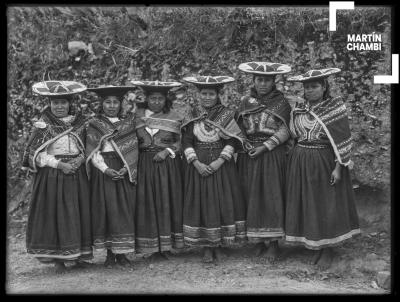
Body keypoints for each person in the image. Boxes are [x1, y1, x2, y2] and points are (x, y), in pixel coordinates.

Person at [285, 68, 360, 269]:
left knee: (326, 203)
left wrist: (338, 168)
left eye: (314, 86)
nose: (310, 90)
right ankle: (315, 245)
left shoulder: (334, 108)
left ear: (324, 87)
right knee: (308, 202)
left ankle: (328, 249)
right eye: (307, 87)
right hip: (300, 161)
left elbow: (342, 139)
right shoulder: (298, 109)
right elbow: (293, 135)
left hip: (324, 162)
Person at [23, 81, 92, 273]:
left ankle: (78, 256)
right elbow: (34, 153)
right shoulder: (43, 124)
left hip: (77, 173)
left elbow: (89, 146)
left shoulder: (81, 122)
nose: (59, 107)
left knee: (78, 212)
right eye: (55, 103)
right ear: (49, 104)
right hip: (53, 175)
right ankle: (58, 259)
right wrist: (60, 165)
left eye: (63, 102)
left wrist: (80, 160)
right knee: (55, 214)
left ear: (70, 103)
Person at [181, 75, 247, 263]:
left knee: (221, 201)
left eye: (211, 93)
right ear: (198, 94)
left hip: (222, 165)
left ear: (219, 94)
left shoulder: (227, 115)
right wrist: (196, 163)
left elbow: (233, 140)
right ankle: (207, 248)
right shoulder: (191, 115)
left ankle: (219, 245)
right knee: (202, 202)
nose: (207, 97)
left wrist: (219, 162)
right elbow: (186, 141)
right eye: (204, 93)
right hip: (198, 164)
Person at [236, 62, 292, 262]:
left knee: (271, 196)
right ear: (253, 80)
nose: (263, 84)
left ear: (273, 81)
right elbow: (237, 126)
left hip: (271, 154)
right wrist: (244, 143)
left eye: (267, 80)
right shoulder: (244, 102)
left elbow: (286, 130)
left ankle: (274, 244)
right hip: (249, 155)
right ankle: (258, 241)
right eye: (259, 79)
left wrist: (266, 146)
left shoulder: (281, 102)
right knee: (250, 195)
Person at [85, 85, 139, 268]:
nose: (111, 105)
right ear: (101, 103)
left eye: (115, 102)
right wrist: (105, 169)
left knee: (123, 210)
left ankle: (122, 254)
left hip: (123, 169)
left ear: (121, 104)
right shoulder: (94, 123)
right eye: (107, 102)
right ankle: (109, 253)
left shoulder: (128, 122)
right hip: (104, 172)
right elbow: (93, 152)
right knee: (106, 211)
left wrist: (127, 167)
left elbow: (133, 148)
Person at [130, 80, 184, 260]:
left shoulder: (174, 116)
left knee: (166, 201)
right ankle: (151, 246)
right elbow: (128, 140)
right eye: (152, 98)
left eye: (160, 98)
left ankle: (166, 247)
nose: (156, 102)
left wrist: (167, 151)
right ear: (146, 98)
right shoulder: (136, 115)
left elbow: (182, 141)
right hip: (144, 163)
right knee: (147, 202)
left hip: (166, 164)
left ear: (165, 99)